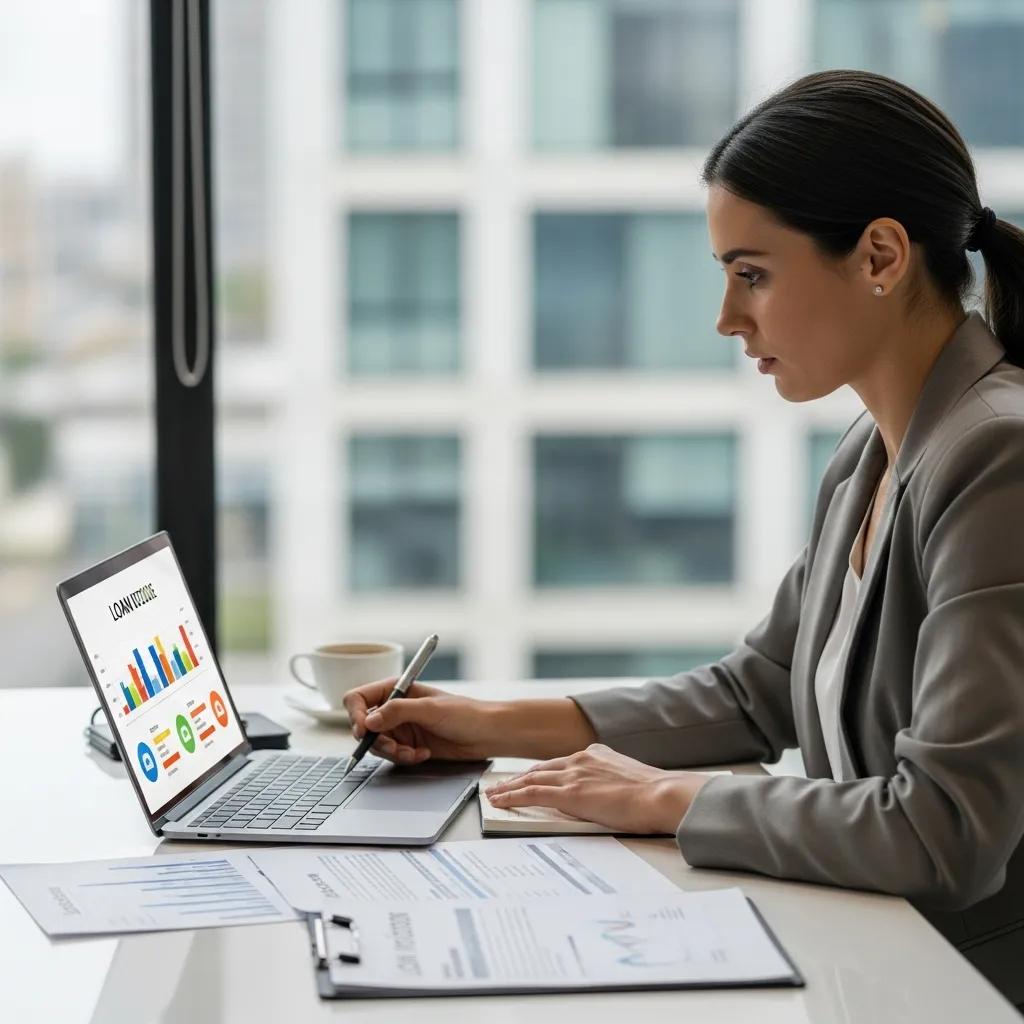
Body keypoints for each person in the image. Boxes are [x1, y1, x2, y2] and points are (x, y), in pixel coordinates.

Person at [344, 70, 1024, 1006]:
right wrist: (487, 724)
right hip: (872, 959)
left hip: (967, 989)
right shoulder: (874, 449)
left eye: (753, 274)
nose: (727, 318)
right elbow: (758, 693)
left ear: (879, 255)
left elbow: (944, 831)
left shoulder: (996, 457)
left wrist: (662, 797)